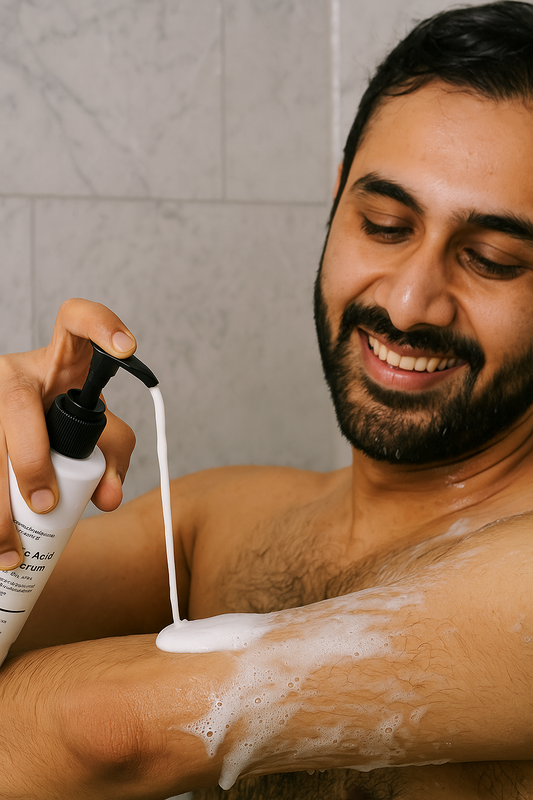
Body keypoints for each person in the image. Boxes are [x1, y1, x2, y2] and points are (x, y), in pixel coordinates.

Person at [0, 1, 532, 797]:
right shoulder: (226, 519)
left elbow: (102, 731)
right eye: (384, 224)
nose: (411, 300)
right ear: (336, 205)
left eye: (490, 259)